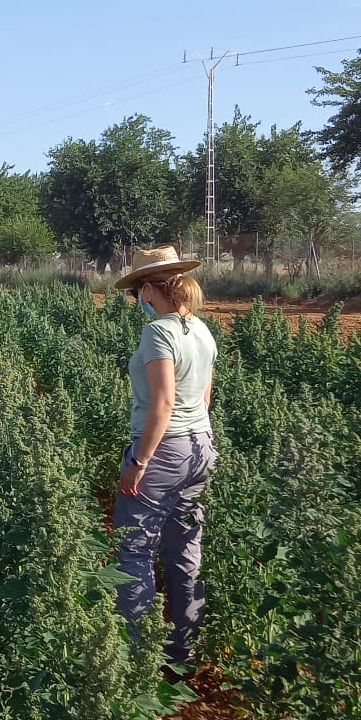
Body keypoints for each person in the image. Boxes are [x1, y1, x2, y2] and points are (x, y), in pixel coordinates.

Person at [109, 245, 218, 674]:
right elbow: (204, 396)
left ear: (152, 289)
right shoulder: (202, 330)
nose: (137, 299)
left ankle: (137, 657)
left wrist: (139, 461)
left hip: (164, 448)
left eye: (138, 291)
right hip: (200, 446)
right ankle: (182, 651)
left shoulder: (159, 332)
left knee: (134, 550)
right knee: (185, 548)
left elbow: (164, 402)